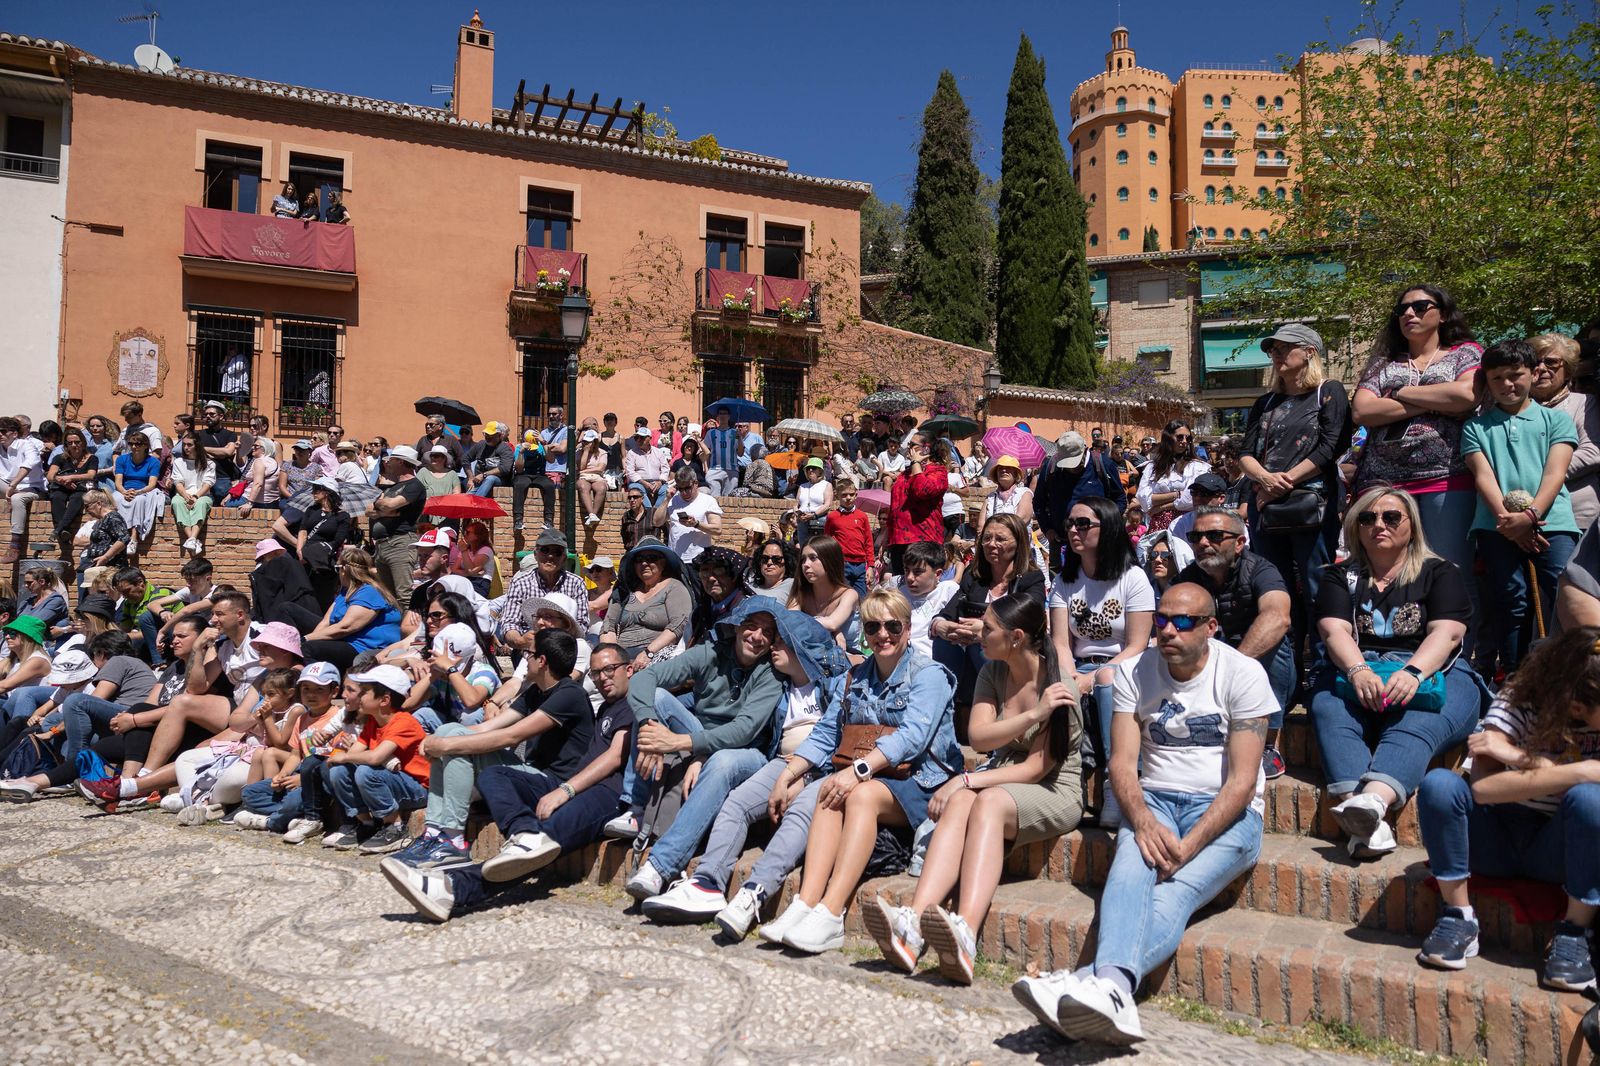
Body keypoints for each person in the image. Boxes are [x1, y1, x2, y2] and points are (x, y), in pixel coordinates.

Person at [1012, 583, 1272, 1046]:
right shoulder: (1133, 671)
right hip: (1154, 803)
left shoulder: (1243, 674)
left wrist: (1189, 847)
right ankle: (1112, 991)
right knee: (1129, 876)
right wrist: (1144, 820)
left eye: (1183, 622)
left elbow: (1242, 782)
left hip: (1229, 816)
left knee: (1173, 892)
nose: (1168, 630)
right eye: (1162, 620)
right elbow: (1121, 765)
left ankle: (1090, 983)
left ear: (1211, 627)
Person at [867, 593, 1081, 983]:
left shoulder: (1059, 684)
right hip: (1002, 774)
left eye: (988, 629)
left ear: (1016, 637)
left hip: (1054, 788)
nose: (978, 634)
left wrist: (967, 778)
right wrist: (1033, 714)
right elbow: (979, 738)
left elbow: (1036, 768)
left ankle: (965, 931)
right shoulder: (992, 672)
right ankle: (914, 925)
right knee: (965, 798)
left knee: (985, 801)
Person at [760, 587, 960, 953]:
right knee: (827, 789)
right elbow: (825, 733)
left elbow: (913, 738)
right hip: (876, 777)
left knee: (858, 792)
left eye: (892, 626)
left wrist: (858, 770)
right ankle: (806, 903)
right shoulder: (856, 676)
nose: (882, 635)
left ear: (907, 626)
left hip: (921, 781)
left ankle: (833, 912)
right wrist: (788, 775)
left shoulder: (929, 675)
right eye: (872, 627)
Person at [379, 641, 635, 922]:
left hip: (605, 795)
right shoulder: (606, 709)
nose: (602, 678)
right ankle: (517, 836)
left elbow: (613, 758)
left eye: (609, 670)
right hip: (579, 787)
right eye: (596, 673)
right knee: (497, 782)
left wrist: (566, 789)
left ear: (630, 669)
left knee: (544, 842)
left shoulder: (633, 703)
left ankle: (452, 887)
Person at [633, 609, 849, 923]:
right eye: (752, 628)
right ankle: (705, 883)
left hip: (813, 767)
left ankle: (754, 895)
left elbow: (820, 734)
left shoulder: (828, 683)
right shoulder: (782, 684)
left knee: (777, 797)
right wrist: (653, 730)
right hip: (778, 762)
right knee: (734, 801)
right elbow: (648, 680)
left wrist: (682, 745)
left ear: (801, 647)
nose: (770, 644)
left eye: (779, 640)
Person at [1413, 628, 1600, 988]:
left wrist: (1518, 759)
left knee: (1591, 800)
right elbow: (1483, 789)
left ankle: (1575, 934)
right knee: (1439, 785)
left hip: (1557, 849)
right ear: (1576, 703)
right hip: (1494, 839)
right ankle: (1458, 916)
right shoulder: (1520, 698)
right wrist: (1575, 772)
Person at [1310, 485, 1478, 859]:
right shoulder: (1340, 577)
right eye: (1368, 518)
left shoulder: (1440, 572)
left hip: (1434, 670)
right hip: (1359, 669)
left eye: (1391, 517)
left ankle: (1370, 804)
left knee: (1417, 721)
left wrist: (1414, 671)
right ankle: (1369, 820)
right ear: (1356, 526)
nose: (1378, 525)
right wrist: (1357, 670)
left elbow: (1448, 632)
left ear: (1412, 526)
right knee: (1327, 708)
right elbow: (1333, 630)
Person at [385, 627, 587, 869]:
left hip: (556, 784)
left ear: (542, 661)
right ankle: (434, 832)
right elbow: (487, 728)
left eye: (528, 655)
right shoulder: (535, 691)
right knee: (447, 732)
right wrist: (437, 740)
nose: (525, 659)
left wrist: (447, 745)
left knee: (453, 744)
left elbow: (511, 736)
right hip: (530, 774)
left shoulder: (570, 694)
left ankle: (453, 840)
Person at [603, 601, 784, 840]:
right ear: (737, 627)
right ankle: (635, 810)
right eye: (751, 626)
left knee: (721, 759)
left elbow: (743, 731)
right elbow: (645, 677)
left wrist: (677, 743)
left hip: (740, 749)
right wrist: (649, 727)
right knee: (655, 698)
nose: (757, 636)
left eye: (767, 632)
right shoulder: (711, 652)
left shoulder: (771, 672)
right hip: (700, 729)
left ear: (772, 642)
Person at [1351, 284, 1484, 607]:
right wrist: (1438, 398)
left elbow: (1467, 396)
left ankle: (1458, 653)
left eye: (1421, 306)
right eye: (1402, 309)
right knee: (1388, 569)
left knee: (1450, 568)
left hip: (1446, 479)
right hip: (1384, 482)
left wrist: (1399, 394)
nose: (1409, 313)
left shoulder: (1465, 353)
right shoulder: (1383, 363)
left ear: (1443, 314)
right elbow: (1362, 410)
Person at [1462, 338, 1580, 673]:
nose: (1507, 384)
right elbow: (1483, 475)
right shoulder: (1476, 427)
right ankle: (1516, 678)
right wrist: (1509, 523)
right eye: (1497, 378)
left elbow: (1555, 473)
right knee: (1511, 601)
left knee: (1563, 595)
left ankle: (1568, 675)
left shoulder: (1555, 421)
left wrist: (1529, 517)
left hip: (1551, 523)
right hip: (1496, 526)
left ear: (1532, 373)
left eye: (1515, 375)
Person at [1048, 496, 1155, 810]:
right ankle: (1069, 780)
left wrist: (1091, 679)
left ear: (1106, 528)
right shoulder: (1064, 581)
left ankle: (1116, 781)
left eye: (1083, 524)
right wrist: (1073, 676)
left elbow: (1137, 645)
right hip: (1078, 663)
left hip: (1125, 664)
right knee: (1062, 686)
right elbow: (1061, 644)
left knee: (1108, 680)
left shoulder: (1133, 579)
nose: (1074, 530)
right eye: (1070, 523)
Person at [1172, 507, 1294, 778]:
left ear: (1239, 543)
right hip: (1208, 659)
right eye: (1196, 537)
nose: (1203, 543)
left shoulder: (1260, 570)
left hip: (1254, 661)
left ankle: (1268, 745)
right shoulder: (1188, 578)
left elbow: (1278, 616)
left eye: (1214, 535)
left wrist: (1233, 665)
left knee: (1276, 643)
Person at [931, 513, 1046, 713]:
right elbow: (948, 610)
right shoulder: (974, 578)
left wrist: (986, 631)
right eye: (987, 538)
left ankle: (1003, 712)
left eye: (1000, 539)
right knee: (944, 641)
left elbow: (1031, 622)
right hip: (973, 662)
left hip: (1014, 655)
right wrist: (940, 624)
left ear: (1018, 543)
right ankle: (944, 714)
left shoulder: (1031, 579)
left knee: (982, 645)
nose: (991, 544)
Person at [313, 664, 429, 854]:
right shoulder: (374, 722)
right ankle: (366, 823)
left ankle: (395, 827)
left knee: (366, 771)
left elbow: (376, 757)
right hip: (391, 782)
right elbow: (356, 752)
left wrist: (344, 756)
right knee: (339, 770)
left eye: (365, 692)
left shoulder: (403, 722)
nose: (360, 696)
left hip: (417, 788)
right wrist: (342, 758)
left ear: (384, 700)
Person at [303, 547, 403, 673]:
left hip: (364, 647)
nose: (338, 573)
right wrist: (311, 638)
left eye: (337, 568)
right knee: (288, 610)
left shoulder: (368, 591)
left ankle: (315, 682)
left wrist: (306, 640)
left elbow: (345, 627)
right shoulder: (345, 592)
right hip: (348, 640)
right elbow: (326, 621)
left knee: (308, 648)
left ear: (344, 569)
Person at [598, 537, 693, 666]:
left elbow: (679, 625)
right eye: (639, 560)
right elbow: (608, 627)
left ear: (663, 563)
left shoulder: (674, 587)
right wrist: (613, 659)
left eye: (651, 559)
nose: (644, 564)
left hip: (658, 656)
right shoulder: (624, 591)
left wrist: (649, 653)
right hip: (622, 656)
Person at [499, 527, 590, 651]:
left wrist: (556, 642)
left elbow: (582, 624)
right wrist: (520, 641)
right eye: (545, 550)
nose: (550, 556)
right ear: (535, 555)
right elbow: (509, 623)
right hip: (528, 647)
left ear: (564, 557)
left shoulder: (577, 584)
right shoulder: (520, 583)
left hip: (564, 646)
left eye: (557, 552)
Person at [275, 477, 351, 609]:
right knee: (303, 594)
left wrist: (315, 553)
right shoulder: (311, 510)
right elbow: (303, 530)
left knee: (322, 597)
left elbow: (338, 540)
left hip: (324, 560)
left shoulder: (342, 516)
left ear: (327, 492)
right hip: (305, 557)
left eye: (317, 489)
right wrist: (300, 550)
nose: (313, 492)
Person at [367, 445, 427, 600]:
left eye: (391, 460)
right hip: (383, 545)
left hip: (399, 543)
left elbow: (388, 505)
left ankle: (409, 624)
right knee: (387, 595)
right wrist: (387, 510)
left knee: (403, 594)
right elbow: (368, 510)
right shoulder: (392, 488)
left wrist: (383, 506)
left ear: (401, 462)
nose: (388, 463)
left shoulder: (415, 485)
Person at [885, 436, 947, 575]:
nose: (908, 447)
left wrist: (916, 463)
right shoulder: (904, 474)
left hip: (922, 539)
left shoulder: (938, 471)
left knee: (921, 587)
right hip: (898, 540)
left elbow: (922, 491)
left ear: (926, 449)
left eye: (913, 445)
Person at [1134, 420, 1208, 534]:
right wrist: (1177, 494)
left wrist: (1161, 507)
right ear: (1168, 438)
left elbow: (1190, 498)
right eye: (1179, 437)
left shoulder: (1197, 466)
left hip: (1186, 523)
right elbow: (1144, 497)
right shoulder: (1153, 467)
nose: (1184, 441)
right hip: (1158, 524)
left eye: (1188, 438)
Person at [789, 535, 860, 646]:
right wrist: (834, 631)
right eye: (803, 559)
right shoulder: (801, 592)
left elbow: (832, 623)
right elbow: (790, 621)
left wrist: (833, 628)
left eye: (813, 558)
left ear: (830, 560)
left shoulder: (849, 594)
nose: (806, 564)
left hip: (849, 657)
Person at [45, 427, 98, 560]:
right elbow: (50, 475)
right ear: (66, 445)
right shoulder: (60, 458)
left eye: (77, 442)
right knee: (57, 497)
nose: (74, 445)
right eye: (70, 443)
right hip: (63, 487)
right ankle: (64, 531)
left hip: (80, 488)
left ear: (83, 442)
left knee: (77, 498)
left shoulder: (92, 458)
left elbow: (91, 475)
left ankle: (58, 530)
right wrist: (62, 480)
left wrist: (72, 478)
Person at [655, 468, 722, 566]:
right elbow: (656, 521)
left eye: (687, 488)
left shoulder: (708, 501)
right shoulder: (673, 500)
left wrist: (696, 524)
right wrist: (667, 499)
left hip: (700, 561)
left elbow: (717, 529)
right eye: (680, 489)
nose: (684, 493)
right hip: (675, 559)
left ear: (696, 483)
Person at [112, 429, 164, 552]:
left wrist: (137, 492)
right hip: (124, 489)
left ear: (146, 445)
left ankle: (133, 538)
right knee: (115, 499)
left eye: (138, 444)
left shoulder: (153, 462)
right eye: (131, 444)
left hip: (143, 490)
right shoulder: (122, 459)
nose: (134, 447)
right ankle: (117, 535)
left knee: (138, 501)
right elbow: (118, 482)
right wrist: (125, 492)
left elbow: (152, 484)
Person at [824, 479, 873, 598]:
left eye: (851, 494)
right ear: (837, 495)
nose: (848, 498)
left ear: (856, 494)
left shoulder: (862, 516)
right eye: (844, 495)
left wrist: (870, 566)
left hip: (861, 565)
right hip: (842, 563)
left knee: (861, 599)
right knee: (842, 597)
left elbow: (868, 541)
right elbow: (827, 541)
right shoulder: (832, 517)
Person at [168, 433, 215, 558]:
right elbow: (178, 482)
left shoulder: (209, 463)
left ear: (197, 445)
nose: (186, 448)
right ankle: (193, 539)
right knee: (176, 502)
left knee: (201, 504)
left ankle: (192, 538)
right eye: (184, 445)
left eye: (189, 445)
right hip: (183, 494)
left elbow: (207, 484)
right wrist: (185, 495)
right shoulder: (179, 462)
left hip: (202, 495)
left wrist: (195, 497)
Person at [78, 489, 130, 575]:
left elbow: (124, 538)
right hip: (101, 569)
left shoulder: (113, 518)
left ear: (98, 504)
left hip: (111, 570)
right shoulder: (103, 520)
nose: (86, 510)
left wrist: (106, 557)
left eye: (87, 506)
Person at [623, 425, 669, 515]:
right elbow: (630, 472)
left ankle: (655, 512)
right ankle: (649, 513)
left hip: (657, 482)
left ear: (650, 438)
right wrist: (644, 482)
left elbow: (665, 468)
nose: (639, 440)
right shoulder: (632, 453)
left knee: (666, 491)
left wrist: (660, 482)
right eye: (637, 437)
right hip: (639, 482)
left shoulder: (658, 452)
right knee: (637, 489)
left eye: (642, 437)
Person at [984, 455, 1035, 526]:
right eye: (1000, 468)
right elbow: (981, 526)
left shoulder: (1025, 493)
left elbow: (1020, 520)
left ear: (1015, 474)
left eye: (1008, 468)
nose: (1004, 470)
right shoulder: (991, 497)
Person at [447, 519, 494, 597]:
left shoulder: (485, 550)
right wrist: (468, 573)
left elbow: (472, 570)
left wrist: (464, 552)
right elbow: (455, 569)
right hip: (464, 580)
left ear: (478, 535)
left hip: (479, 583)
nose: (465, 534)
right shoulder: (466, 549)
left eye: (468, 533)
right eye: (465, 532)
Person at [468, 421, 514, 500]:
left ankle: (477, 502)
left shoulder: (505, 448)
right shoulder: (481, 445)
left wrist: (484, 475)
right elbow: (465, 459)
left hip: (500, 480)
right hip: (479, 480)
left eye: (491, 435)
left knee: (490, 478)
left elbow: (505, 468)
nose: (487, 437)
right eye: (486, 434)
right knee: (467, 496)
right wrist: (470, 477)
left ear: (499, 435)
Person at [701, 409, 740, 497]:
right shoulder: (710, 433)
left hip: (731, 470)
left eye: (725, 413)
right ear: (717, 416)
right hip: (714, 470)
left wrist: (740, 438)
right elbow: (706, 452)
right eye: (720, 413)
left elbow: (740, 453)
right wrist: (707, 470)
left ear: (729, 416)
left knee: (728, 499)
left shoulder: (735, 433)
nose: (723, 416)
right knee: (714, 498)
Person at [750, 537, 798, 605]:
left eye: (776, 559)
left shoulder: (794, 585)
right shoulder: (750, 586)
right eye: (765, 558)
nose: (769, 563)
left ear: (787, 561)